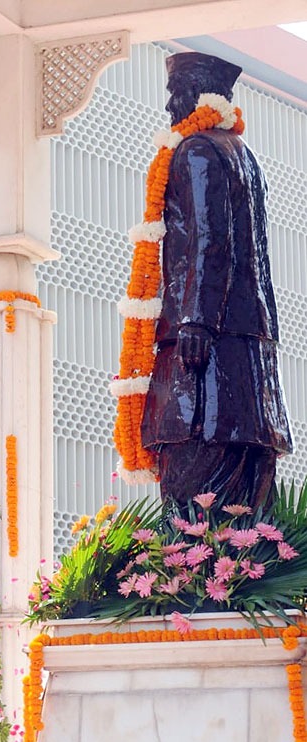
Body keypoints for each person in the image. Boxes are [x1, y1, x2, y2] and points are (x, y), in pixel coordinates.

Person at [140, 51, 292, 510]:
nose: (170, 107)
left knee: (190, 504)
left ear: (198, 93)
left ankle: (189, 581)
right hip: (247, 358)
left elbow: (210, 240)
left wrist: (196, 322)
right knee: (245, 508)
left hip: (206, 350)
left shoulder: (197, 150)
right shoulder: (244, 155)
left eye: (175, 94)